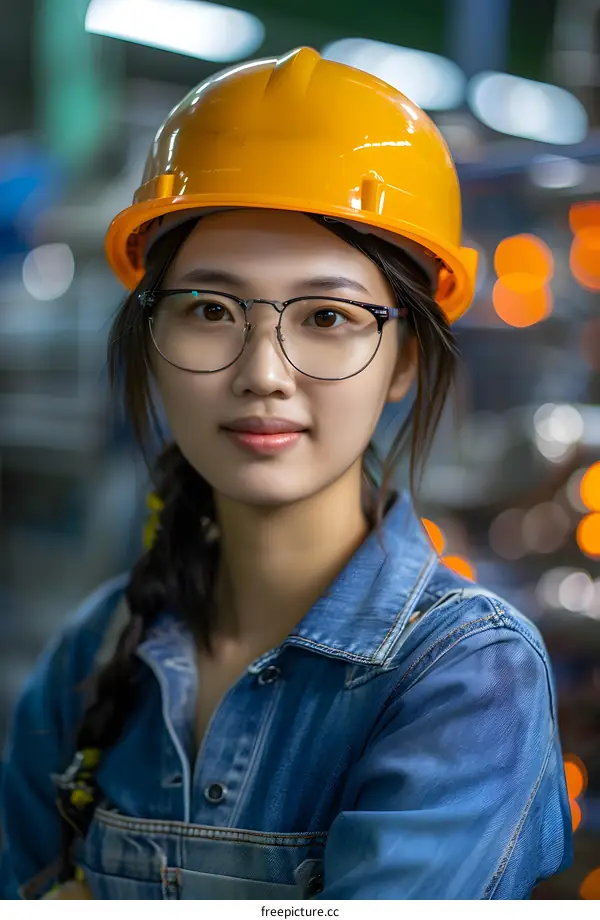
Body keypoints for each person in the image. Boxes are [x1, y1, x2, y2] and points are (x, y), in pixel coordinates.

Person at [0, 47, 572, 900]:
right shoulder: (99, 644)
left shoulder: (466, 678)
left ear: (405, 360)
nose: (264, 371)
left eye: (329, 316)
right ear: (151, 343)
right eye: (209, 310)